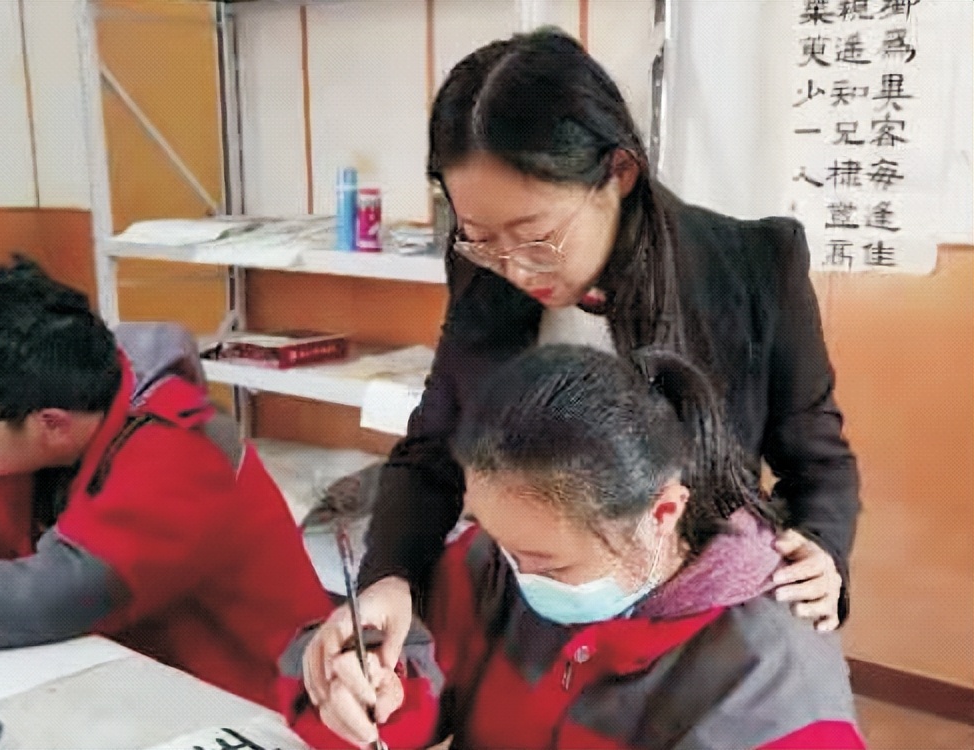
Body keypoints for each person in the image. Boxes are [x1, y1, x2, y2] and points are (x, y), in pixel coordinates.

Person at [304, 26, 861, 705]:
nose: (512, 267)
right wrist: (391, 575)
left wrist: (823, 547)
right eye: (481, 240)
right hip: (529, 610)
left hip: (690, 629)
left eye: (537, 238)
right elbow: (433, 449)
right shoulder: (484, 273)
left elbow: (820, 462)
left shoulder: (754, 265)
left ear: (618, 173)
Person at [282, 345, 866, 749]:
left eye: (547, 562)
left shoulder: (771, 679)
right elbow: (420, 683)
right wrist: (362, 688)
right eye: (495, 537)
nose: (515, 571)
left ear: (662, 513)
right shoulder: (494, 560)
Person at [0, 257, 332, 710]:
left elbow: (54, 593)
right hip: (139, 677)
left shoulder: (182, 456)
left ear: (51, 424)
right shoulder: (64, 405)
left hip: (259, 701)